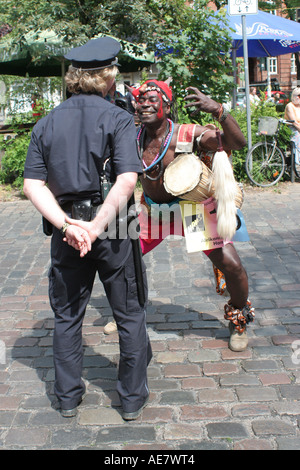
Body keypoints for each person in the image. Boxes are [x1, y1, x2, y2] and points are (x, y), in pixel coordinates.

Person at [23, 37, 151, 420]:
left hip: (67, 231)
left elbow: (32, 185)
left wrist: (68, 225)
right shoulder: (118, 118)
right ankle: (130, 399)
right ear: (109, 77)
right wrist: (95, 227)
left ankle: (67, 398)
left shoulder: (46, 123)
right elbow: (127, 179)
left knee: (67, 316)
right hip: (112, 227)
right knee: (128, 314)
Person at [101, 80, 255, 352]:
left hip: (191, 210)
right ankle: (126, 312)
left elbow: (237, 143)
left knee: (231, 265)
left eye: (152, 99)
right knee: (120, 259)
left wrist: (218, 110)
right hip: (152, 211)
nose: (145, 104)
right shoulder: (132, 136)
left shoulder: (186, 134)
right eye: (141, 100)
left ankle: (239, 317)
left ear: (167, 106)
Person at [284, 87, 300, 165]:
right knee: (297, 135)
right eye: (298, 96)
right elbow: (293, 122)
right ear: (294, 96)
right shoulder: (290, 106)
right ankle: (298, 160)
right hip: (291, 128)